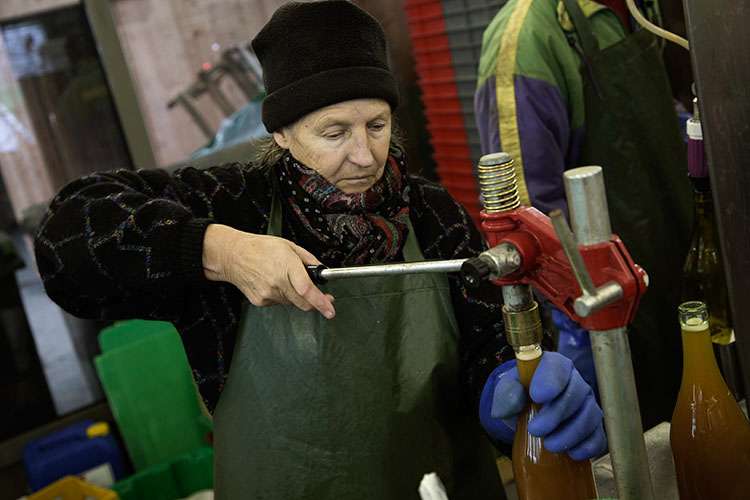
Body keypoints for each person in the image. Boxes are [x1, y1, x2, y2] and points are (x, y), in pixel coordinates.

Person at [35, 2, 604, 498]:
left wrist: (506, 390)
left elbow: (489, 345)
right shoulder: (236, 204)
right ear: (281, 134)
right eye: (335, 133)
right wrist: (221, 251)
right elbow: (67, 239)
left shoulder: (432, 214)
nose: (364, 156)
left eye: (377, 125)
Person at [475, 0, 692, 430]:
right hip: (607, 303)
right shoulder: (527, 39)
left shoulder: (636, 9)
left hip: (675, 261)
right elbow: (527, 212)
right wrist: (579, 320)